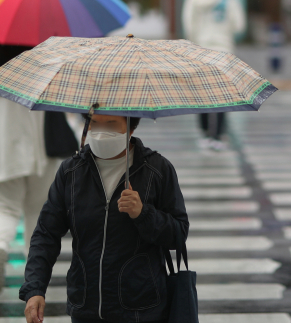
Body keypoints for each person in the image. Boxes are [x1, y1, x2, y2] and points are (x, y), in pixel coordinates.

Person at [20, 113, 189, 323]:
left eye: (111, 124)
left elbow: (179, 234)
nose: (101, 132)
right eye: (94, 123)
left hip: (140, 309)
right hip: (85, 308)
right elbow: (46, 234)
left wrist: (143, 213)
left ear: (131, 127)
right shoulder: (71, 172)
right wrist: (35, 288)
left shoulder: (157, 170)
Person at [0, 43, 63, 295]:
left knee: (3, 207)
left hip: (3, 149)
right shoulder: (46, 58)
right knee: (37, 213)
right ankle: (34, 276)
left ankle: (0, 245)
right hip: (41, 151)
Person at [182, 0, 246, 150]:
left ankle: (204, 133)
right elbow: (239, 26)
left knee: (201, 93)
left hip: (200, 50)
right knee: (222, 94)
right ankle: (218, 135)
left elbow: (189, 27)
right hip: (223, 50)